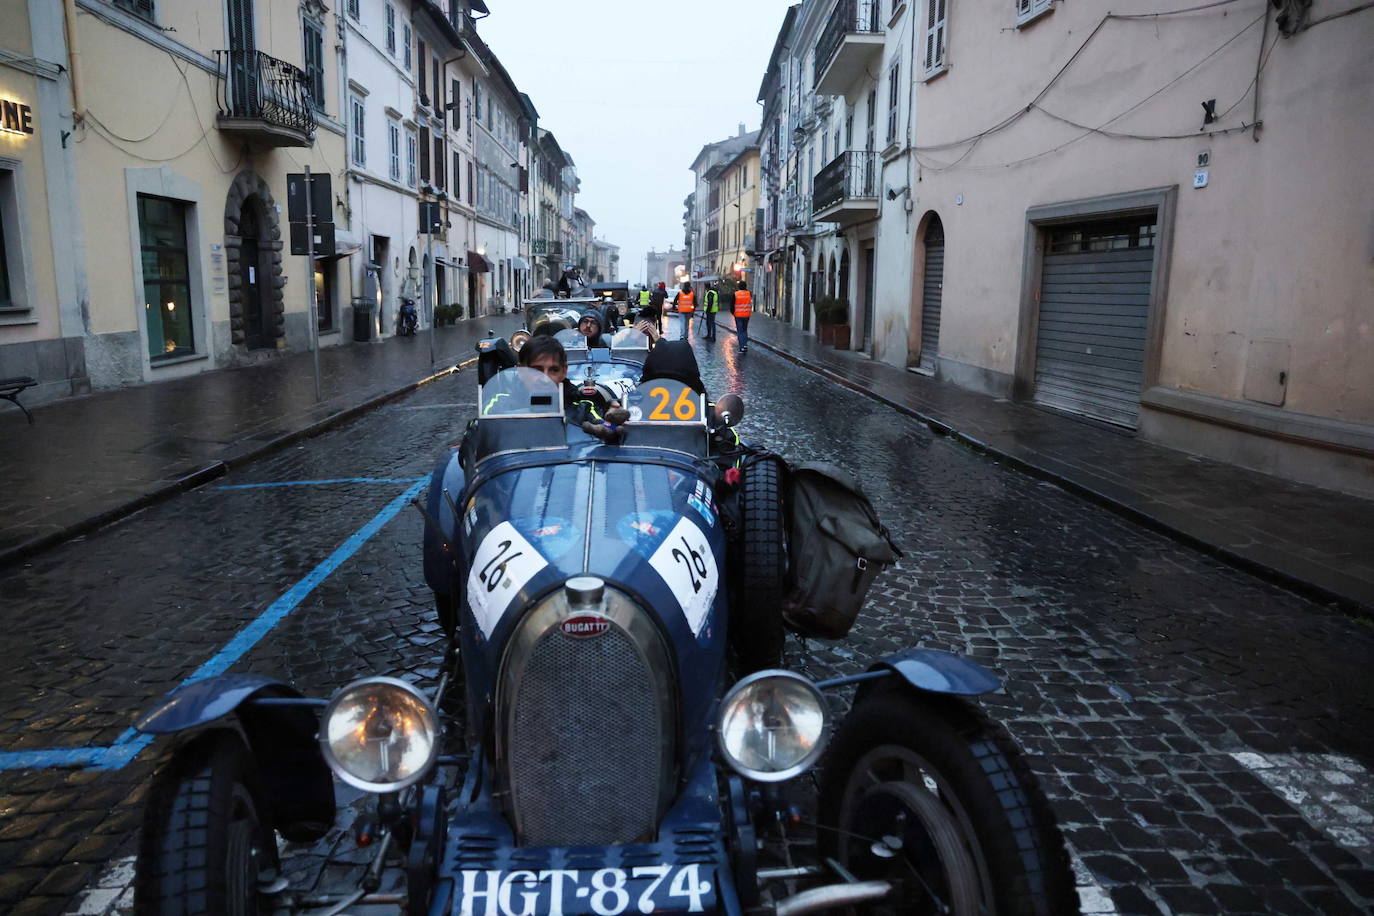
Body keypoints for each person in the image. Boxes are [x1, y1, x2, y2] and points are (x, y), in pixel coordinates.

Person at [518, 334, 608, 418]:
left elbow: (605, 427)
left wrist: (613, 424)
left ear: (564, 371)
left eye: (554, 370)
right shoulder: (504, 407)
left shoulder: (583, 410)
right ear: (521, 370)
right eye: (536, 370)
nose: (545, 379)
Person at [733, 280, 753, 353]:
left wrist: (733, 313)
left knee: (740, 331)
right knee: (745, 330)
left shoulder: (736, 294)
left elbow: (732, 305)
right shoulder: (749, 294)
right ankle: (745, 345)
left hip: (738, 315)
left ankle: (742, 347)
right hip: (747, 315)